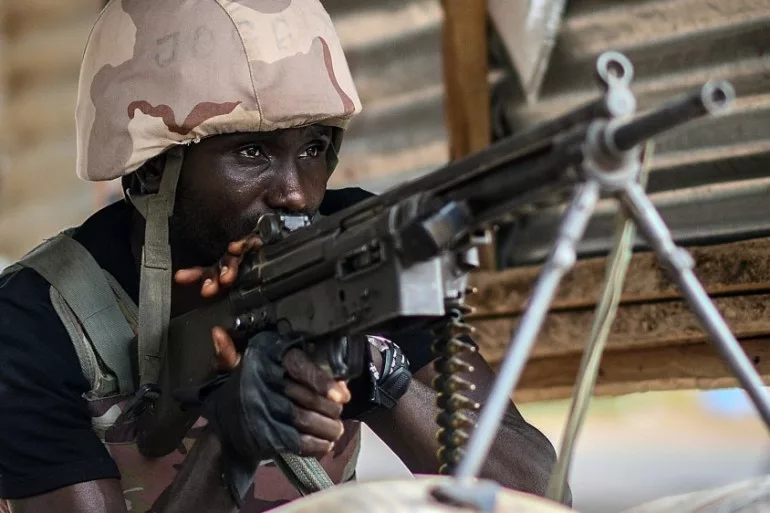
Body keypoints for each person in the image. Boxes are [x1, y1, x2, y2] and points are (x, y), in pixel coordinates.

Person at [0, 1, 565, 512]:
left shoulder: (353, 249)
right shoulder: (34, 322)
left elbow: (537, 494)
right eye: (251, 152)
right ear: (151, 171)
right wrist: (228, 442)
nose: (295, 194)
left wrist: (376, 373)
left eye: (313, 148)